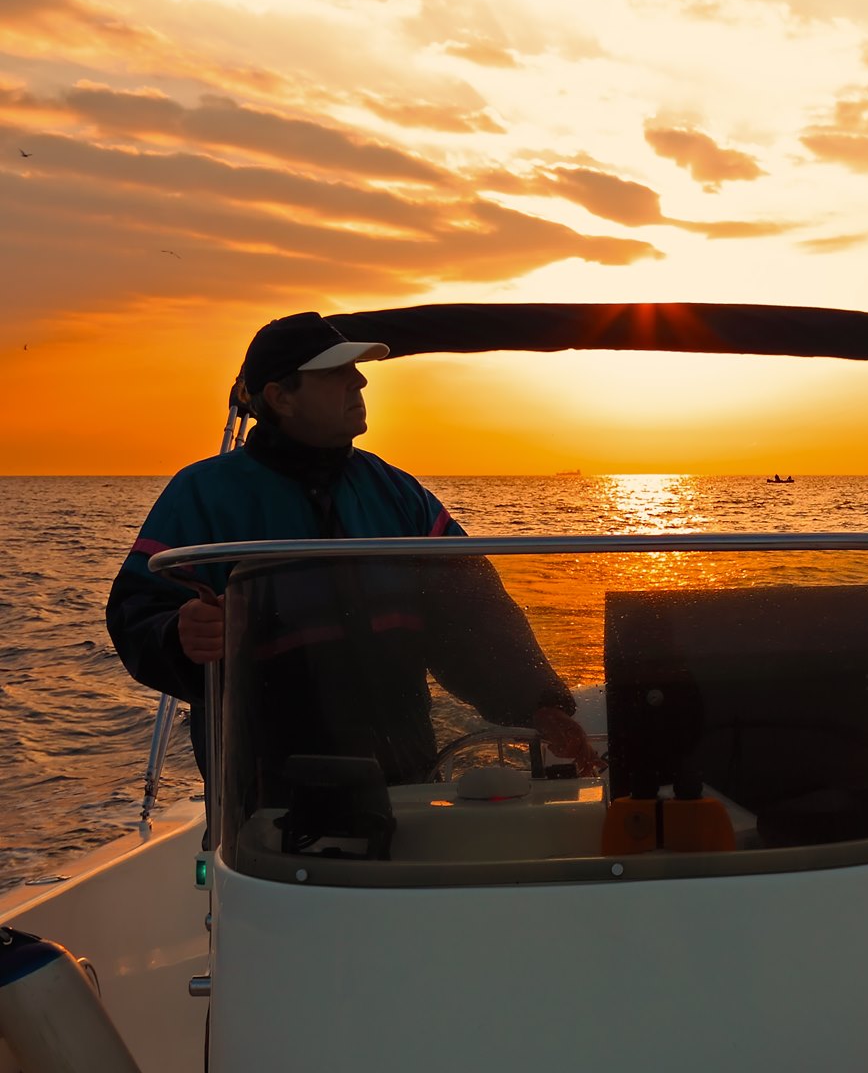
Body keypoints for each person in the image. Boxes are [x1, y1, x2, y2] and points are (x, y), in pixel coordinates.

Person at [107, 311, 597, 792]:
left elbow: (472, 611)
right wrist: (178, 635)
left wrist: (536, 703)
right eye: (337, 373)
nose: (359, 382)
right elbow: (138, 608)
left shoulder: (398, 494)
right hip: (264, 797)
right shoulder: (203, 496)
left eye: (357, 371)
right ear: (280, 397)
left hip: (405, 779)